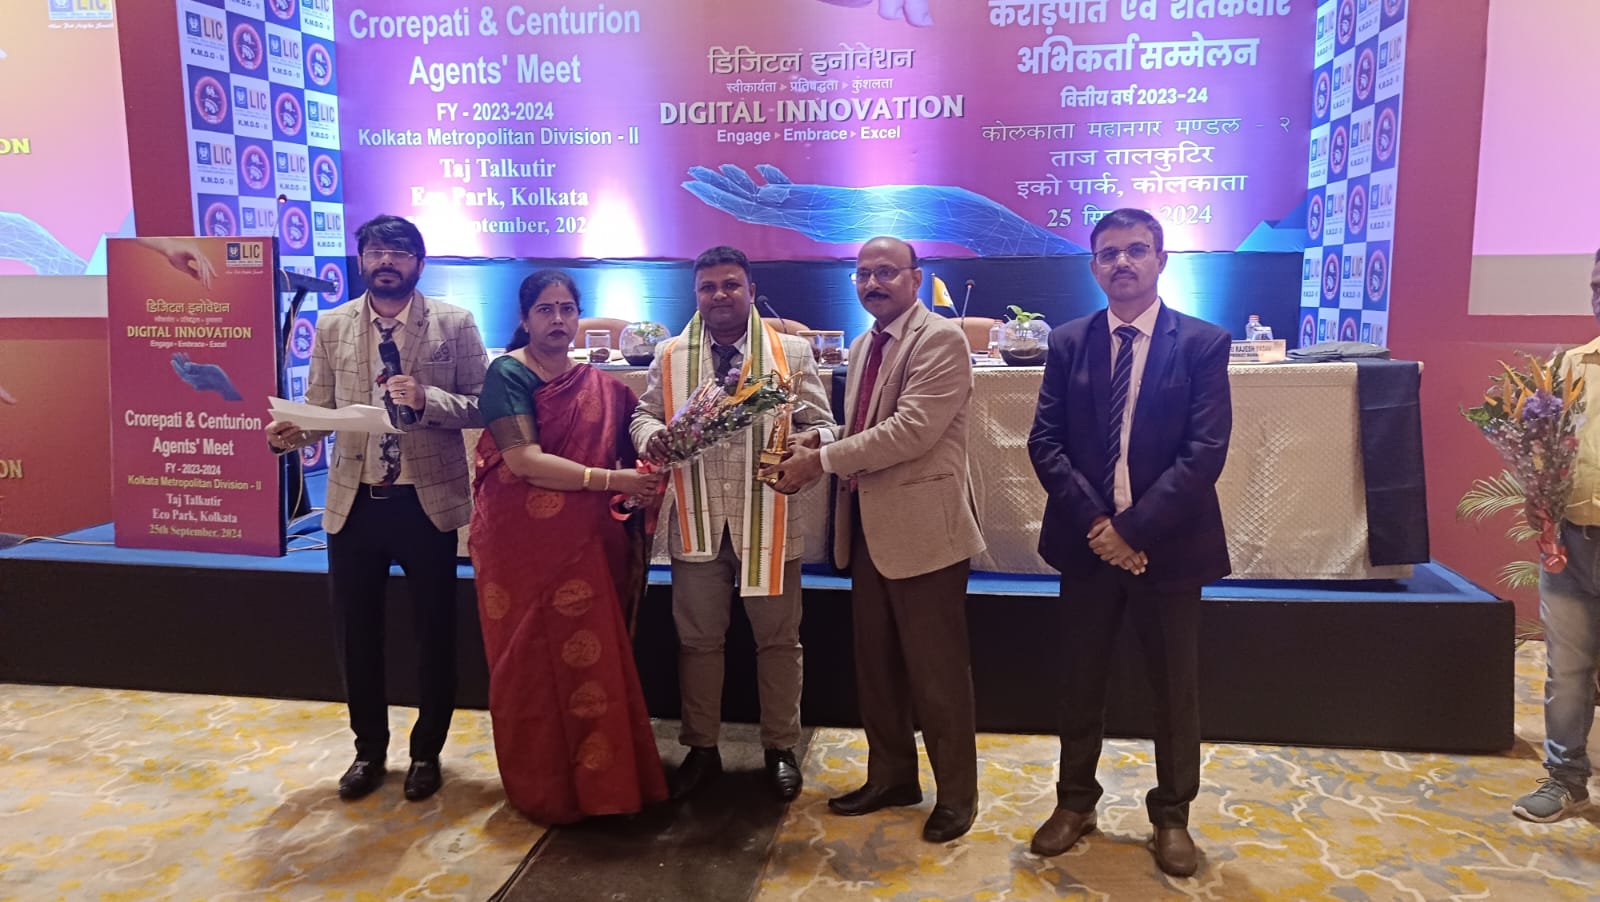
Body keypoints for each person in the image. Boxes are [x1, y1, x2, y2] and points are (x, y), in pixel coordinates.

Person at [1025, 207, 1232, 876]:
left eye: (1136, 250)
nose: (1122, 262)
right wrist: (1099, 528)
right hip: (1087, 548)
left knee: (1175, 691)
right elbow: (1045, 443)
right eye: (1109, 252)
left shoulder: (1201, 343)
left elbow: (1204, 453)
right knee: (1079, 682)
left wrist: (1133, 531)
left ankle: (1172, 815)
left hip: (1167, 549)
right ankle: (1074, 802)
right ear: (1093, 266)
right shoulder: (1068, 342)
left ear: (1161, 260)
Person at [762, 235, 985, 843]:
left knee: (936, 675)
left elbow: (910, 431)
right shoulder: (863, 344)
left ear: (917, 279)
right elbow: (861, 427)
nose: (872, 283)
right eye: (862, 274)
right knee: (878, 668)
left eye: (886, 272)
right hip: (866, 529)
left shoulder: (941, 339)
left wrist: (824, 460)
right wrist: (819, 441)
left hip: (924, 532)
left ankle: (957, 797)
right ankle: (892, 777)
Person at [264, 214, 487, 803]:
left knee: (434, 633)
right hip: (353, 504)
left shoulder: (454, 322)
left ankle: (426, 752)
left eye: (400, 251)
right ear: (361, 260)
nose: (387, 260)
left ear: (420, 261)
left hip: (426, 503)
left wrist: (426, 397)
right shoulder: (333, 323)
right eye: (376, 250)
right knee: (355, 635)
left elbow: (482, 404)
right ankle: (368, 751)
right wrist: (293, 433)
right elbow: (317, 407)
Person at [630, 245, 835, 802]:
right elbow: (643, 413)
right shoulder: (671, 355)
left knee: (779, 641)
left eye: (730, 285)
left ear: (750, 288)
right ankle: (701, 747)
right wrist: (653, 439)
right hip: (697, 521)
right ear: (695, 294)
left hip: (769, 521)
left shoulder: (790, 352)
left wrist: (810, 443)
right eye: (708, 287)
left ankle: (780, 748)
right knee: (697, 643)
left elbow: (827, 425)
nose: (719, 296)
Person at [468, 269, 668, 824]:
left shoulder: (599, 385)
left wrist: (658, 459)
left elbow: (640, 441)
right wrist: (614, 482)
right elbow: (523, 461)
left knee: (594, 655)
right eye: (545, 310)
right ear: (525, 319)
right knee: (530, 661)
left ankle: (608, 789)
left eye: (566, 310)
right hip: (522, 548)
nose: (558, 320)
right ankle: (547, 791)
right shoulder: (507, 373)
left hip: (585, 541)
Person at [1512, 247, 1600, 823]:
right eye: (1596, 283)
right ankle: (1566, 778)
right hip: (1572, 543)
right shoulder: (1572, 366)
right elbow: (1547, 454)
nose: (1599, 294)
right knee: (1567, 669)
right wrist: (1538, 504)